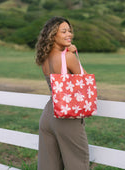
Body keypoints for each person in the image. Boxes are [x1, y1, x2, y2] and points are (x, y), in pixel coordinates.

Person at [36, 16, 89, 170]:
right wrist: (73, 55)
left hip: (48, 115)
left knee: (49, 165)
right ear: (53, 35)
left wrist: (67, 51)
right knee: (77, 163)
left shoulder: (45, 58)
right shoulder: (68, 57)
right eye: (64, 31)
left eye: (70, 31)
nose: (69, 34)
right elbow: (86, 81)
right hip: (66, 115)